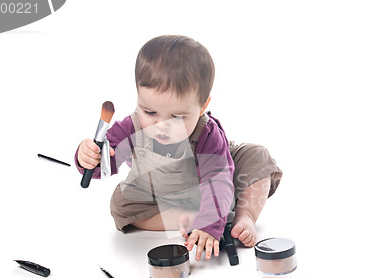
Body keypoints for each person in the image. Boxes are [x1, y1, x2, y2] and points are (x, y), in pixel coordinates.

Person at [75, 35, 282, 261]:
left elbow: (218, 180)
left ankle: (244, 217)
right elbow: (105, 164)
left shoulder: (207, 134)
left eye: (177, 116)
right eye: (150, 112)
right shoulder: (131, 128)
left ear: (202, 106)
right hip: (157, 192)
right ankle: (190, 218)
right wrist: (89, 157)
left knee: (258, 156)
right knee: (120, 206)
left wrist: (211, 223)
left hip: (213, 185)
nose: (161, 126)